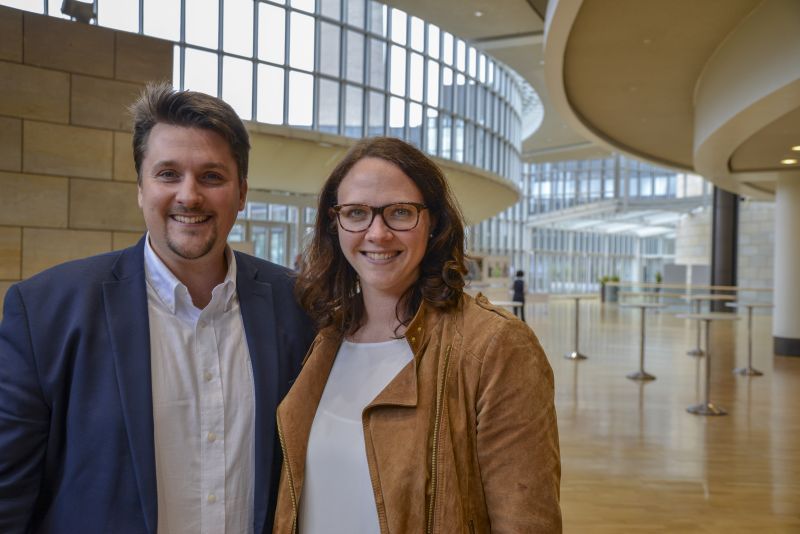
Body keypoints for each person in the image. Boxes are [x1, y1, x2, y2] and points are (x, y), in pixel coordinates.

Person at [0, 83, 314, 533]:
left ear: (241, 192)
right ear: (141, 189)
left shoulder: (297, 304)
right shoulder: (47, 313)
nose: (189, 196)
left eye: (212, 176)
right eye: (168, 174)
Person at [273, 137, 561, 533]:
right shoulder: (324, 338)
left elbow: (526, 522)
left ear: (434, 224)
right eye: (356, 213)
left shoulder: (493, 346)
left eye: (400, 212)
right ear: (334, 224)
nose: (377, 233)